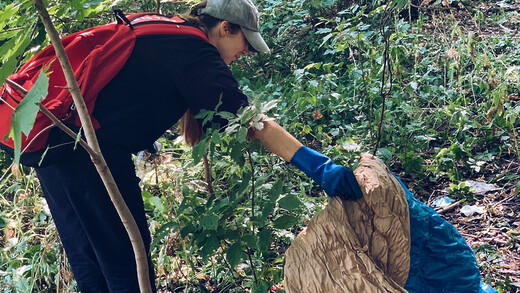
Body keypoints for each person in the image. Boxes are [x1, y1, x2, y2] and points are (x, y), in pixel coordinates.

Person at [2, 0, 362, 291]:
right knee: (127, 261)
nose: (245, 54)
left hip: (52, 139)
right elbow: (250, 123)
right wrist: (318, 166)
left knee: (89, 259)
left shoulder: (165, 29)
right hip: (90, 153)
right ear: (225, 28)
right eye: (245, 45)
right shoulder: (195, 50)